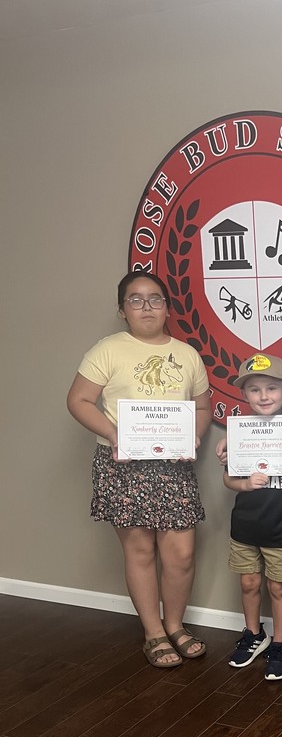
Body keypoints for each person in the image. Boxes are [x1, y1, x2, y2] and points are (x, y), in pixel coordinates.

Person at [67, 270, 211, 668]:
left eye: (155, 299)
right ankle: (153, 632)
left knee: (181, 553)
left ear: (167, 308)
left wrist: (193, 436)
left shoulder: (187, 355)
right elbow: (78, 400)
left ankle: (175, 625)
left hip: (174, 465)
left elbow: (202, 407)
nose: (146, 307)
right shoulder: (107, 350)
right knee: (141, 550)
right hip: (123, 466)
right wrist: (115, 434)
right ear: (122, 310)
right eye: (136, 299)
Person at [219, 354, 282, 680]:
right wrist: (244, 484)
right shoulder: (240, 432)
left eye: (271, 388)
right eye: (255, 390)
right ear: (244, 394)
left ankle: (279, 645)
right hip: (245, 526)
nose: (264, 396)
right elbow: (228, 479)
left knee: (277, 587)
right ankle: (254, 635)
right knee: (249, 582)